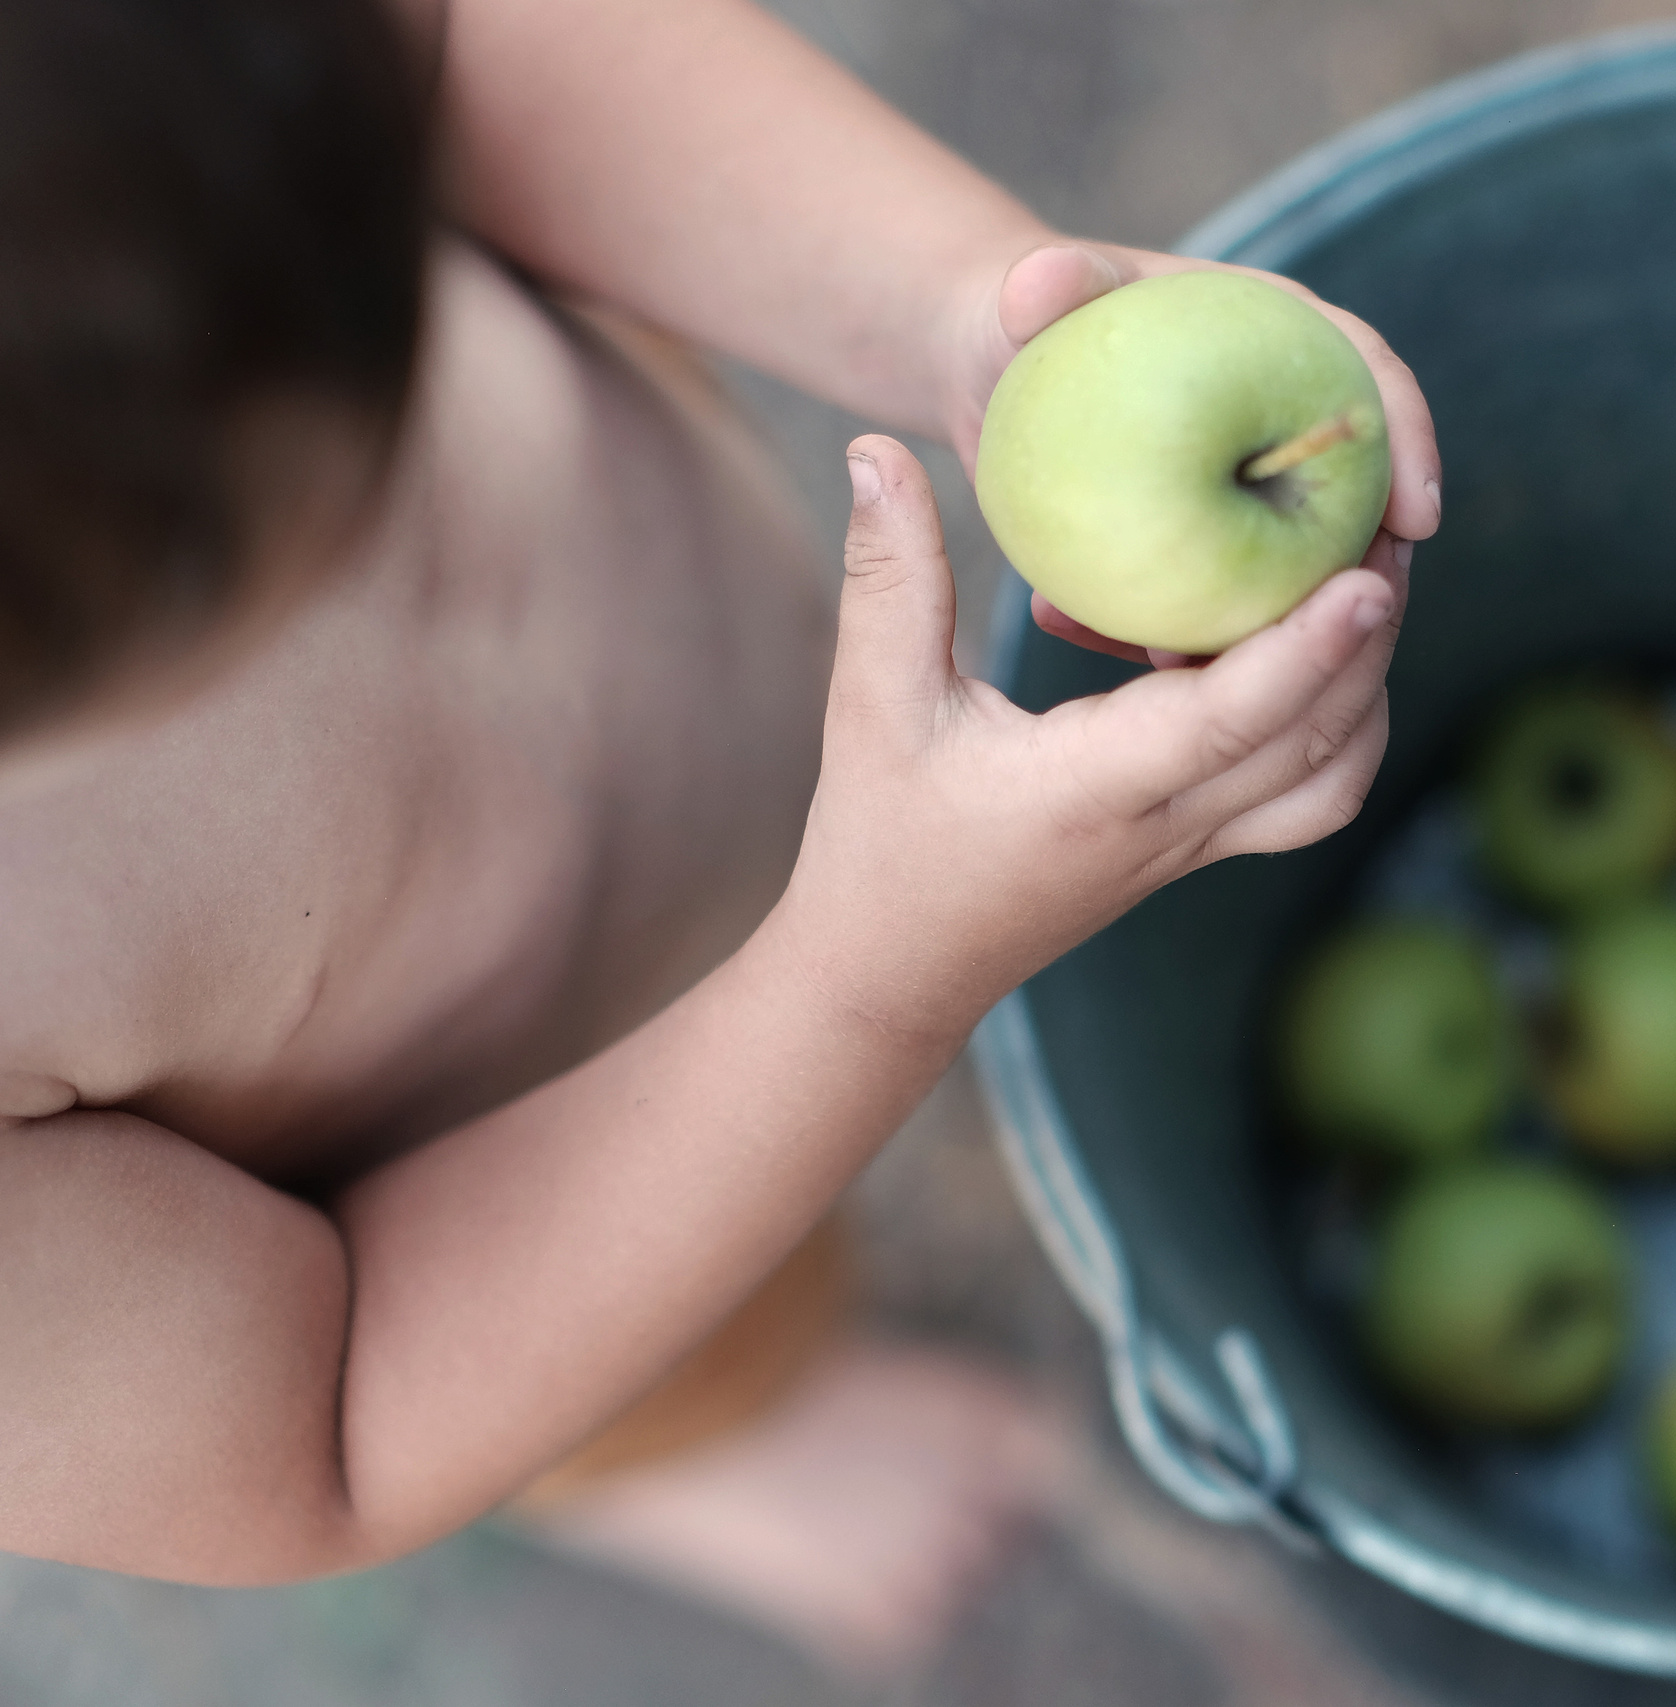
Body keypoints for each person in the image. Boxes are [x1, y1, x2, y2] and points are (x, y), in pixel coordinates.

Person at [0, 0, 1437, 1604]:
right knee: (681, 1363)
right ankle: (728, 1451)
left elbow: (472, 44)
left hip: (713, 653)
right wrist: (876, 970)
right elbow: (322, 1421)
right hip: (566, 1168)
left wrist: (961, 307)